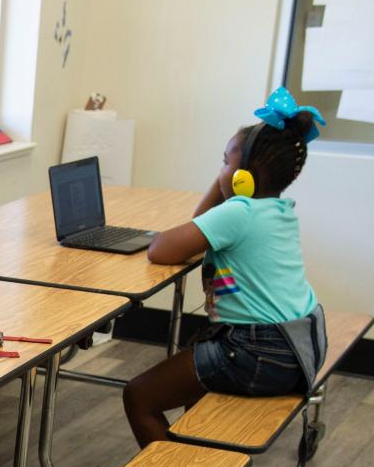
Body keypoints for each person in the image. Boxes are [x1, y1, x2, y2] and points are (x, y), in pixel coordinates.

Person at [123, 88, 329, 447]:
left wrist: (226, 187)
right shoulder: (279, 209)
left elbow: (160, 249)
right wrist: (228, 180)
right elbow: (201, 224)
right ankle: (193, 459)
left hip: (261, 351)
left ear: (245, 176)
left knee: (139, 396)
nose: (220, 170)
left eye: (224, 162)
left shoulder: (240, 213)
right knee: (193, 369)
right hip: (302, 343)